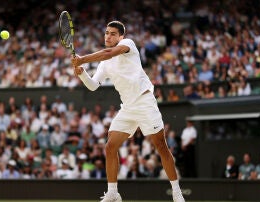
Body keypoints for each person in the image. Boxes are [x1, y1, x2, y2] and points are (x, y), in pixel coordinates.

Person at [71, 21, 185, 202]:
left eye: (113, 34)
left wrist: (83, 58)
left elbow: (109, 52)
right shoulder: (104, 64)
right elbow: (93, 86)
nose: (108, 36)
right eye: (107, 33)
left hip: (145, 101)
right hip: (128, 108)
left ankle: (177, 193)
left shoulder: (128, 44)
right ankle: (113, 193)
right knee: (110, 147)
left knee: (161, 147)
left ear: (121, 36)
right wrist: (82, 73)